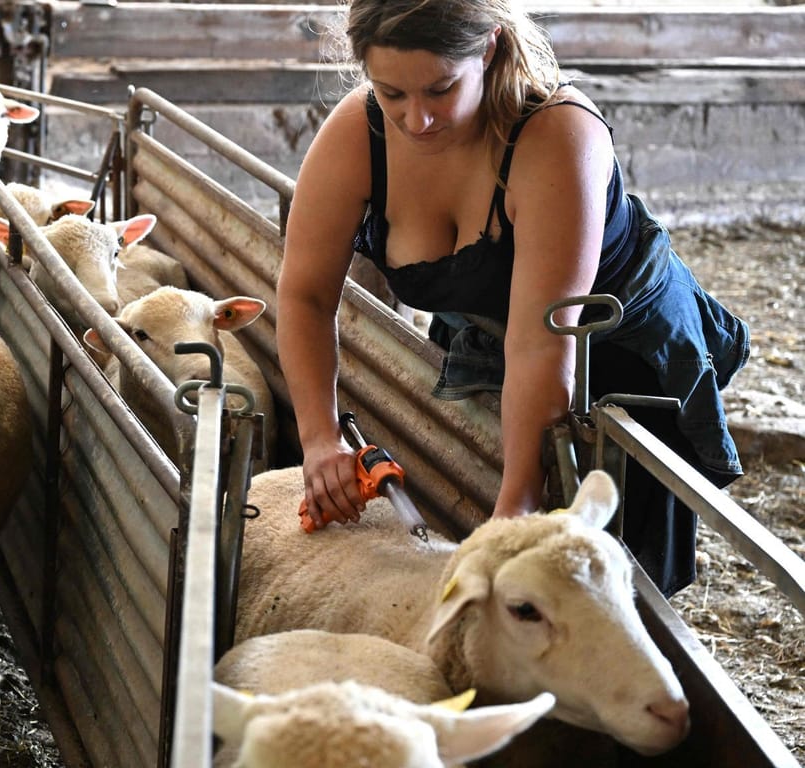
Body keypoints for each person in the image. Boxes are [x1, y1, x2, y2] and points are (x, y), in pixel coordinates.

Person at [275, 0, 750, 596]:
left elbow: (540, 341)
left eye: (441, 89)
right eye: (392, 93)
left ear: (489, 48)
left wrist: (516, 506)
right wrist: (319, 439)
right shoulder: (360, 132)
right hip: (494, 330)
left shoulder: (556, 134)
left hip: (615, 346)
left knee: (611, 572)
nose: (416, 119)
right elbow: (305, 295)